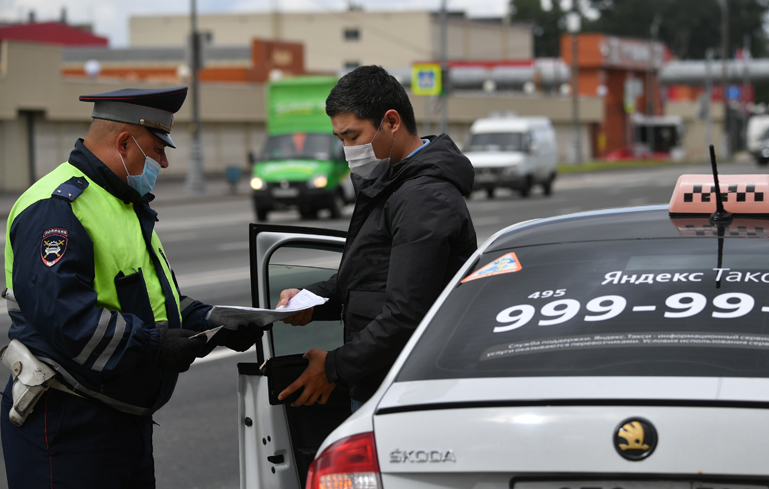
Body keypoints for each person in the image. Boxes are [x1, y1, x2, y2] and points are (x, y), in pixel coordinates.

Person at [1, 87, 261, 488]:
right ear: (124, 142)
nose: (164, 162)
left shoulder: (121, 203)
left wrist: (212, 319)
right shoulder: (58, 207)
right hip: (68, 423)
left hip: (119, 422)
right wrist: (155, 346)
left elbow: (149, 301)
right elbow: (67, 318)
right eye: (157, 150)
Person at [276, 65, 477, 410]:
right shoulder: (391, 183)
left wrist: (334, 367)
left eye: (353, 137)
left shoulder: (423, 197)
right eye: (341, 140)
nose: (348, 150)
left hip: (406, 390)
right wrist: (310, 299)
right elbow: (369, 278)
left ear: (392, 122)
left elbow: (405, 314)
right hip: (383, 381)